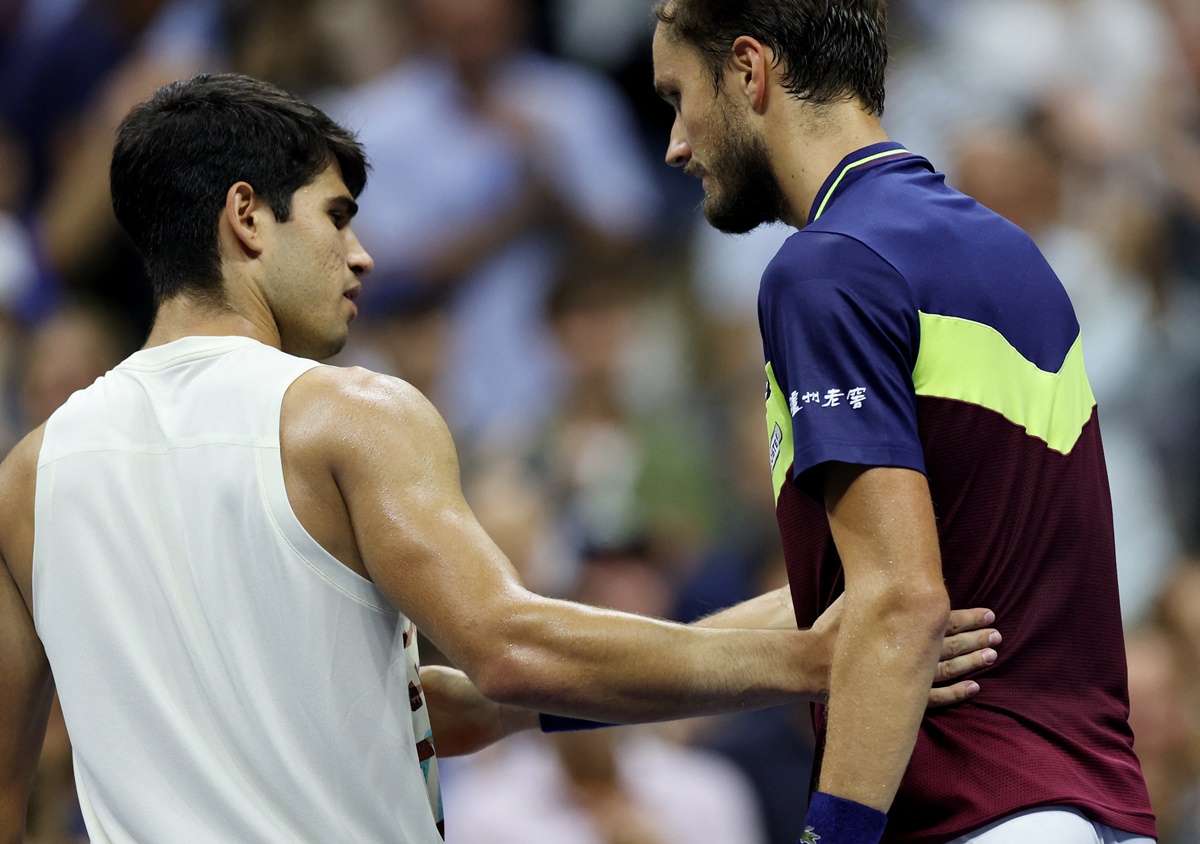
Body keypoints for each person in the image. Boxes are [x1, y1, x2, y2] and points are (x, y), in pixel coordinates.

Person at [0, 73, 1000, 842]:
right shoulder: (346, 415)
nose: (364, 257)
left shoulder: (30, 473)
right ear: (247, 215)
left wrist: (550, 700)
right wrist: (811, 659)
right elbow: (512, 647)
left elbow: (415, 703)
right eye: (338, 216)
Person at [649, 1, 1156, 843]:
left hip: (976, 816)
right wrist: (548, 693)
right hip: (1099, 817)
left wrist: (831, 836)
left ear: (749, 69)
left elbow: (900, 603)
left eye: (677, 96)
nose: (676, 142)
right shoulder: (1010, 253)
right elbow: (889, 590)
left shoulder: (825, 268)